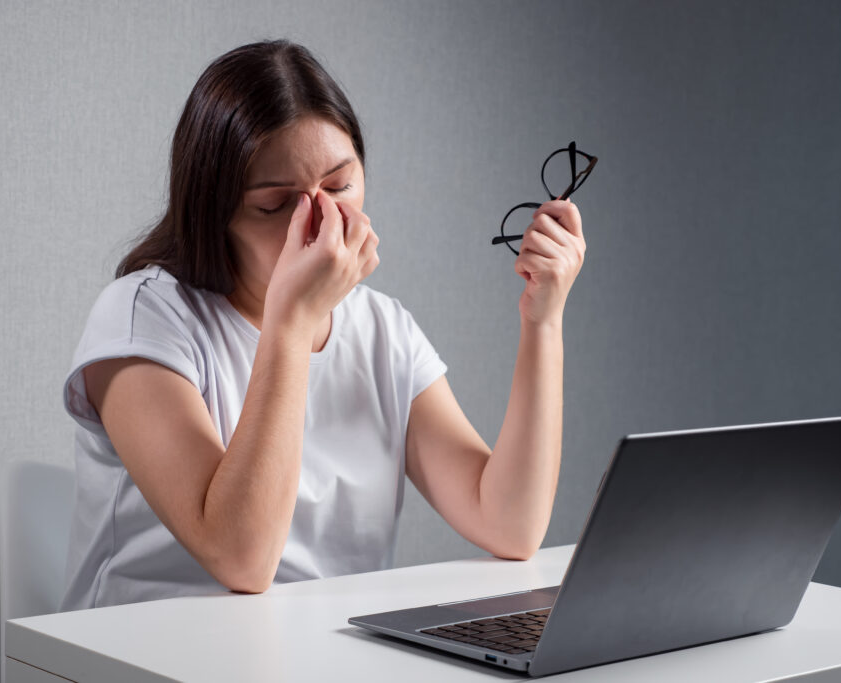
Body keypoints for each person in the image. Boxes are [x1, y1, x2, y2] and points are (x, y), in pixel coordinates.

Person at [58, 39, 585, 611]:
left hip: (321, 647)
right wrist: (291, 321)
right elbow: (241, 559)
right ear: (214, 213)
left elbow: (509, 524)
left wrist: (543, 321)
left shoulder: (383, 329)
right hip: (145, 647)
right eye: (275, 204)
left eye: (339, 187)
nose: (321, 219)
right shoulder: (141, 318)